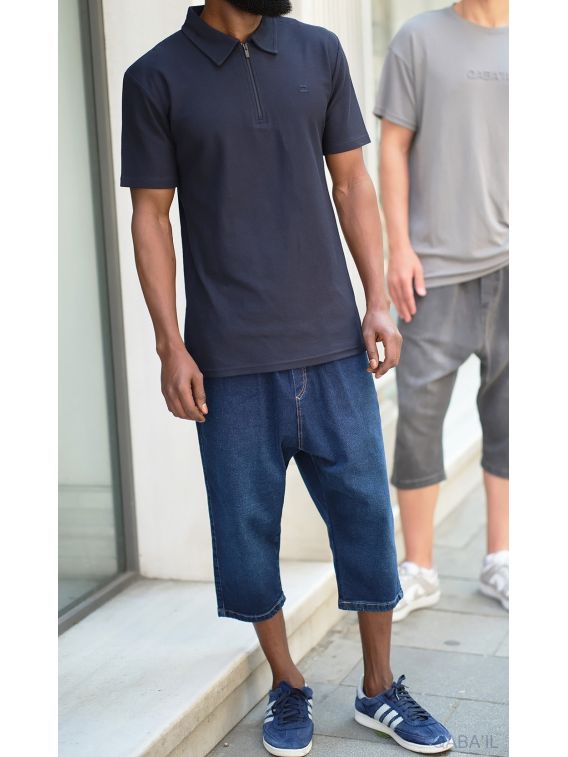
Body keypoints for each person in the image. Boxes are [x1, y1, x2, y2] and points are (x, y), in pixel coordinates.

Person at [121, 1, 454, 754]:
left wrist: (377, 301)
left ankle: (378, 687)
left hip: (334, 346)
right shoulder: (155, 77)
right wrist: (169, 344)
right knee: (245, 534)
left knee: (366, 517)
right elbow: (151, 215)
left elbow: (353, 184)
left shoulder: (319, 51)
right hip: (228, 359)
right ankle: (287, 681)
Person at [375, 0, 509, 623]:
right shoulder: (418, 38)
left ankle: (501, 558)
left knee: (512, 417)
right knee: (420, 419)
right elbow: (392, 147)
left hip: (518, 266)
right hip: (431, 270)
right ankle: (419, 569)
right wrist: (398, 247)